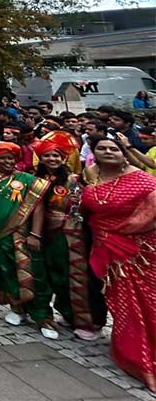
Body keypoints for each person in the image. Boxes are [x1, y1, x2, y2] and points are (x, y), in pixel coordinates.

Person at [81, 134, 156, 392]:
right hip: (102, 245)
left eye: (114, 148)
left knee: (145, 301)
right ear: (94, 153)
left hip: (137, 250)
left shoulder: (142, 179)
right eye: (102, 148)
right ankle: (127, 347)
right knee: (120, 302)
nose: (108, 152)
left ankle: (143, 357)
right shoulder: (89, 175)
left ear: (124, 152)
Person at [0, 142, 53, 335]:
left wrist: (35, 234)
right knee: (8, 271)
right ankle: (17, 308)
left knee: (33, 273)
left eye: (10, 158)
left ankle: (43, 317)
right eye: (2, 158)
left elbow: (38, 208)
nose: (7, 162)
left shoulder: (28, 180)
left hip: (22, 234)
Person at [30, 137, 107, 342]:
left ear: (63, 158)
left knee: (78, 276)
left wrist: (78, 203)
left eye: (56, 155)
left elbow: (89, 205)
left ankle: (90, 322)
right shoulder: (35, 179)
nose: (52, 159)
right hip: (46, 233)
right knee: (55, 274)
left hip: (72, 233)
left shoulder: (75, 179)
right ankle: (67, 313)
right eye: (47, 155)